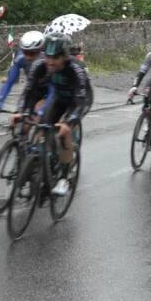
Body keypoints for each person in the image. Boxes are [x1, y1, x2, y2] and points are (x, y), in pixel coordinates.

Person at [15, 33, 91, 196]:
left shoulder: (75, 69)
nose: (50, 61)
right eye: (48, 56)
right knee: (43, 126)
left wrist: (68, 123)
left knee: (64, 133)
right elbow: (30, 92)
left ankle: (64, 178)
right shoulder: (40, 65)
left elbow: (80, 101)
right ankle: (42, 165)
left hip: (77, 100)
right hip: (58, 97)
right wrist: (22, 112)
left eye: (55, 58)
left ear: (65, 57)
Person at [0, 30, 44, 123]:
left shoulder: (47, 60)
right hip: (32, 88)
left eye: (31, 53)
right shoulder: (20, 59)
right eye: (25, 52)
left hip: (48, 90)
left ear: (40, 50)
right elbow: (9, 82)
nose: (27, 56)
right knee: (19, 120)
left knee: (40, 119)